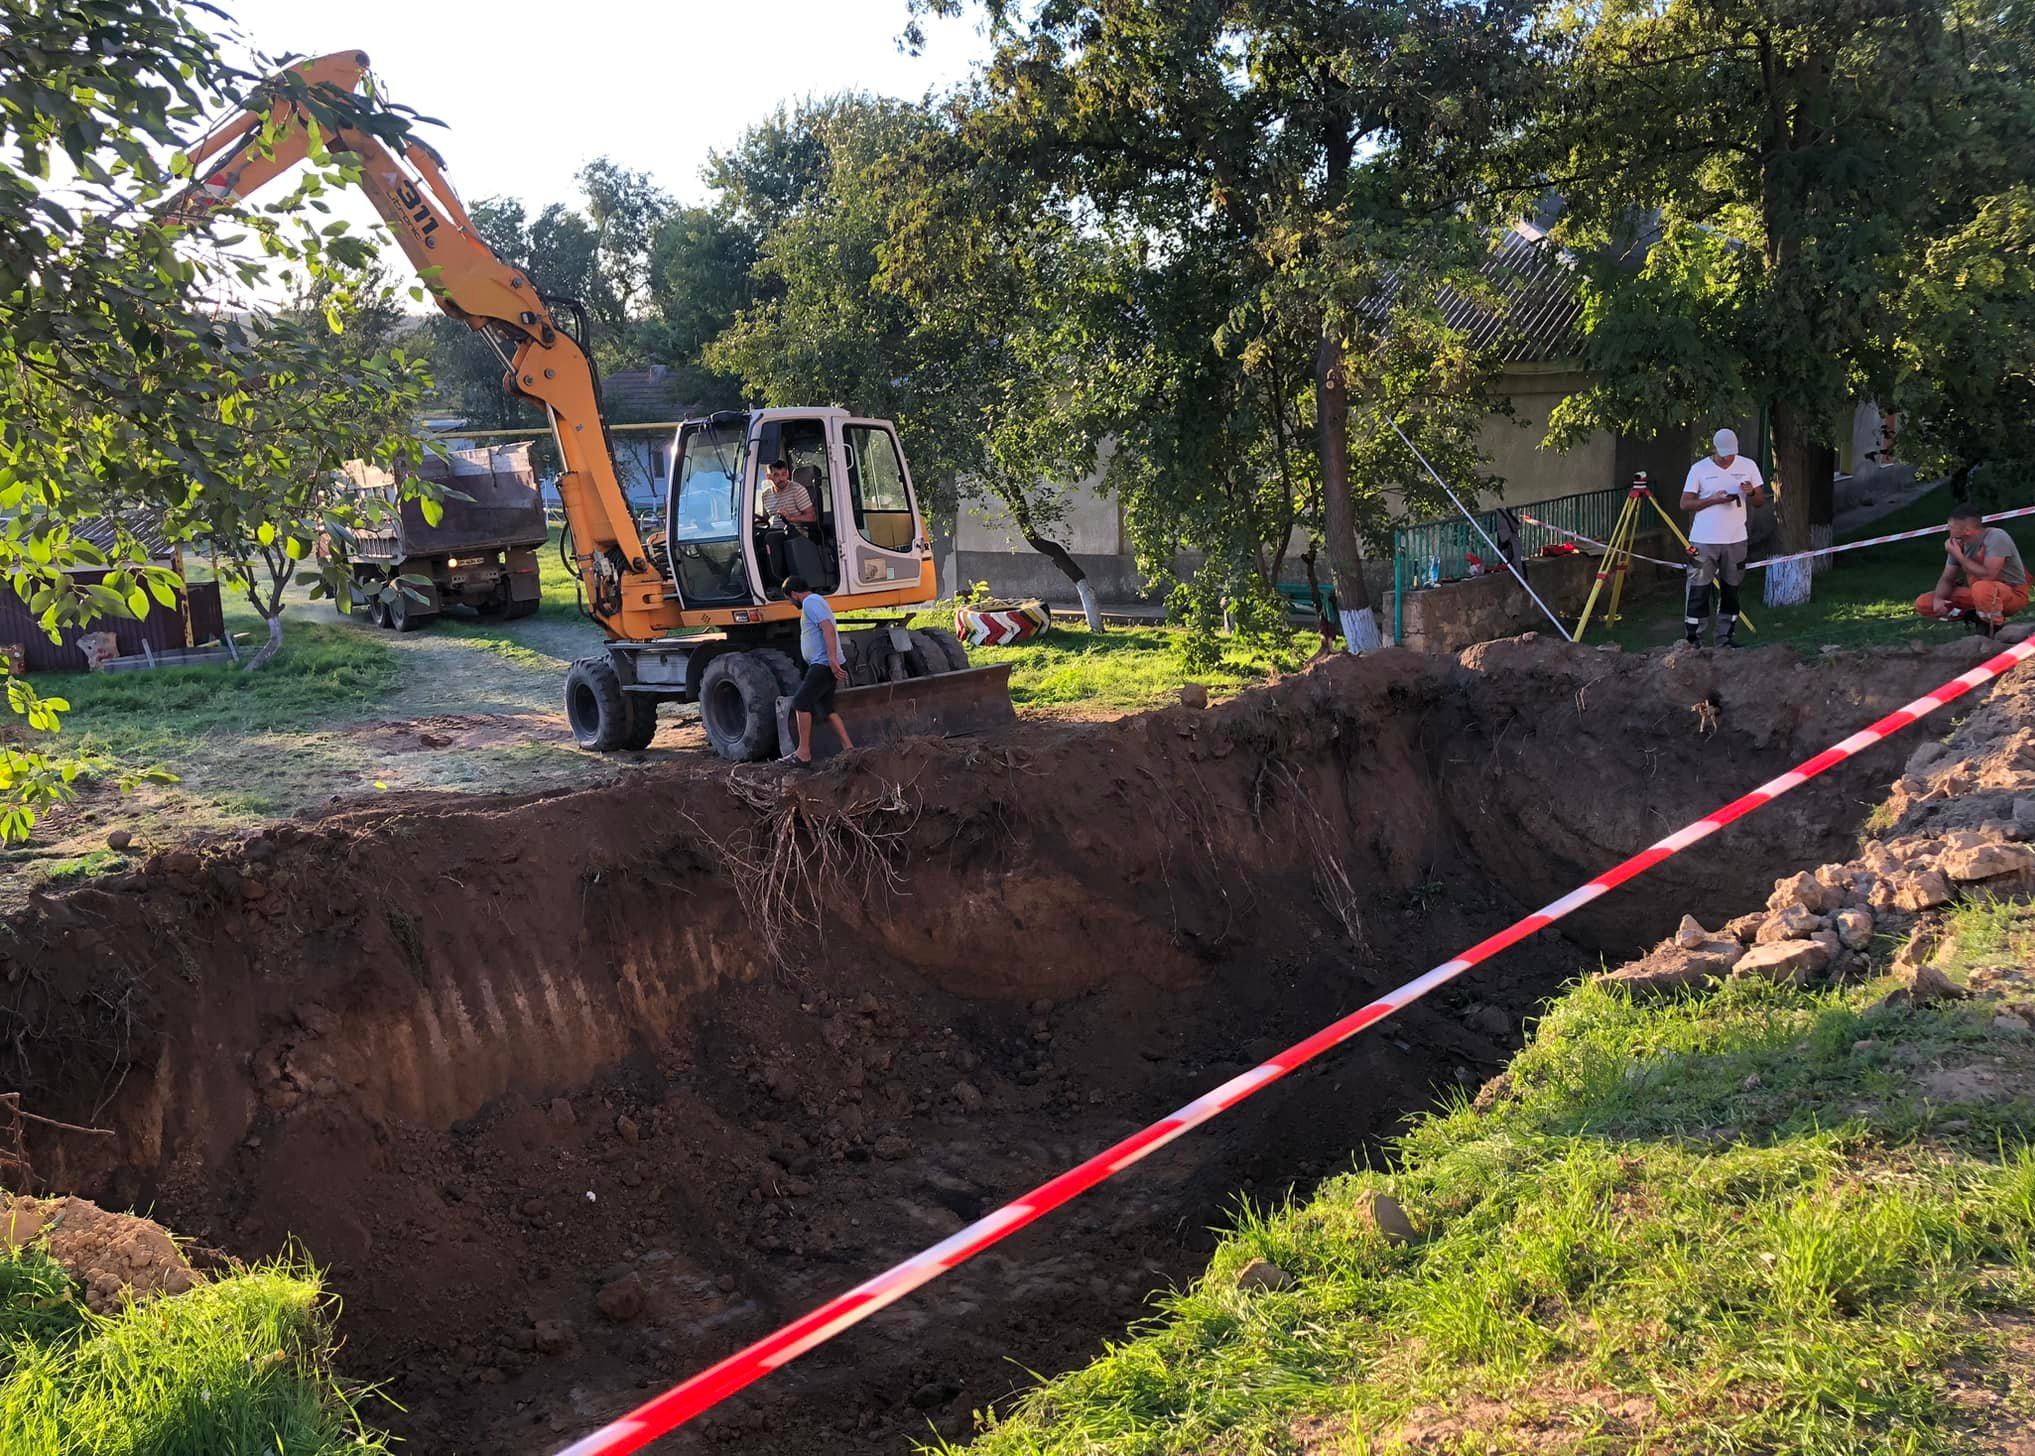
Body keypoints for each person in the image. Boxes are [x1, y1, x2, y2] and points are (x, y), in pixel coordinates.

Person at [1679, 428, 1767, 647]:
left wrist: (1751, 492)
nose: (1729, 458)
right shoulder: (1699, 469)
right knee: (1699, 588)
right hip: (1703, 540)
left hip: (1736, 539)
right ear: (1715, 449)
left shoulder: (1748, 466)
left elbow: (1759, 501)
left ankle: (1725, 639)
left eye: (1732, 454)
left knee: (1731, 590)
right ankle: (1693, 640)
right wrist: (1713, 500)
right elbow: (1685, 504)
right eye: (1724, 454)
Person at [1915, 504, 2029, 633]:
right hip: (1978, 595)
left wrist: (1959, 555)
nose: (1948, 529)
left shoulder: (1996, 536)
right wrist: (1939, 599)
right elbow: (1947, 578)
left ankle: (1995, 628)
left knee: (1982, 587)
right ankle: (1975, 616)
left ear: (1967, 530)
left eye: (1951, 527)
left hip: (2011, 593)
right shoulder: (1958, 544)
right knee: (1924, 603)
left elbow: (1989, 575)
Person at [782, 575, 854, 765]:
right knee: (826, 707)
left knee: (800, 703)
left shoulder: (810, 603)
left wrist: (831, 659)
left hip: (823, 664)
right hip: (824, 663)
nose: (790, 603)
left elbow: (828, 629)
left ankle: (803, 753)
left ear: (794, 594)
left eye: (789, 598)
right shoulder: (817, 601)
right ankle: (849, 748)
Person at [760, 459, 817, 529]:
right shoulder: (766, 494)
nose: (781, 478)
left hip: (794, 534)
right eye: (776, 475)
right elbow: (765, 519)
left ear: (787, 473)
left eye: (783, 474)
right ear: (768, 477)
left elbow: (812, 517)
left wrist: (790, 518)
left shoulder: (797, 490)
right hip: (772, 531)